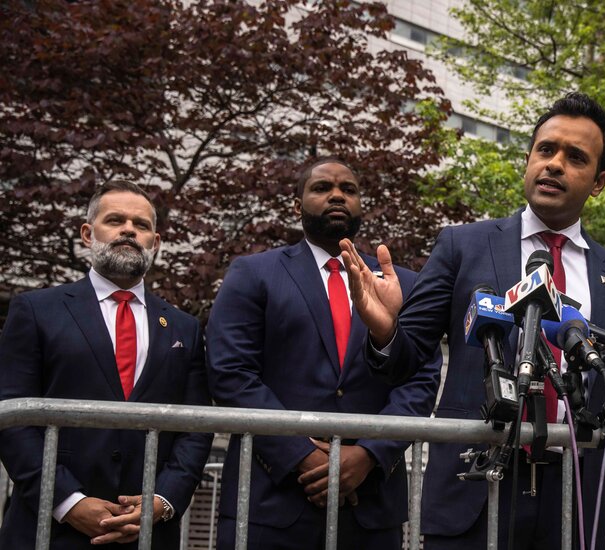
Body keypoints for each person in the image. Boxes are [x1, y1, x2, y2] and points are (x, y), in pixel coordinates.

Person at [341, 92, 605, 549]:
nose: (554, 165)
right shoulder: (461, 246)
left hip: (573, 495)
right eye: (546, 150)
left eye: (575, 157)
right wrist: (385, 328)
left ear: (599, 182)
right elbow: (406, 360)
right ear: (528, 160)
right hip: (474, 486)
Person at [206, 158, 441, 549]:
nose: (337, 195)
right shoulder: (253, 274)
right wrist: (303, 456)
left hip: (370, 506)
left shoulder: (402, 285)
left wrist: (368, 454)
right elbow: (230, 372)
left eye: (348, 189)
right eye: (321, 188)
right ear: (297, 205)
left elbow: (421, 378)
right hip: (269, 501)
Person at [0, 181, 213, 549]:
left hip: (148, 533)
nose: (129, 230)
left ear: (155, 243)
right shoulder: (35, 311)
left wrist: (164, 499)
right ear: (88, 234)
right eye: (115, 220)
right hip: (50, 529)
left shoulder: (185, 328)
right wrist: (68, 501)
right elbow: (12, 416)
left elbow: (196, 426)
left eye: (141, 225)